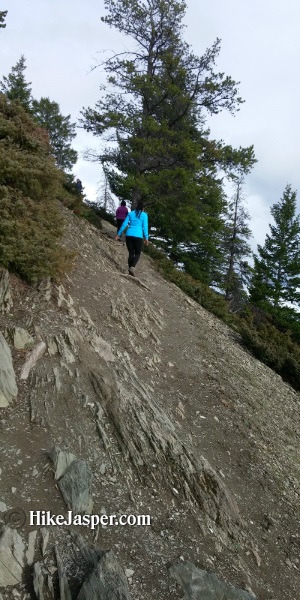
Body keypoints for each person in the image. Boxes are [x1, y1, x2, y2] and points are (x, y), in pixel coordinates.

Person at [115, 201, 149, 276]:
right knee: (137, 253)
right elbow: (145, 227)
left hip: (129, 235)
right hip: (138, 236)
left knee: (131, 253)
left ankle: (130, 269)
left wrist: (119, 234)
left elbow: (124, 224)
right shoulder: (144, 215)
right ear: (143, 208)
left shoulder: (131, 213)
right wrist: (146, 238)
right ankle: (132, 267)